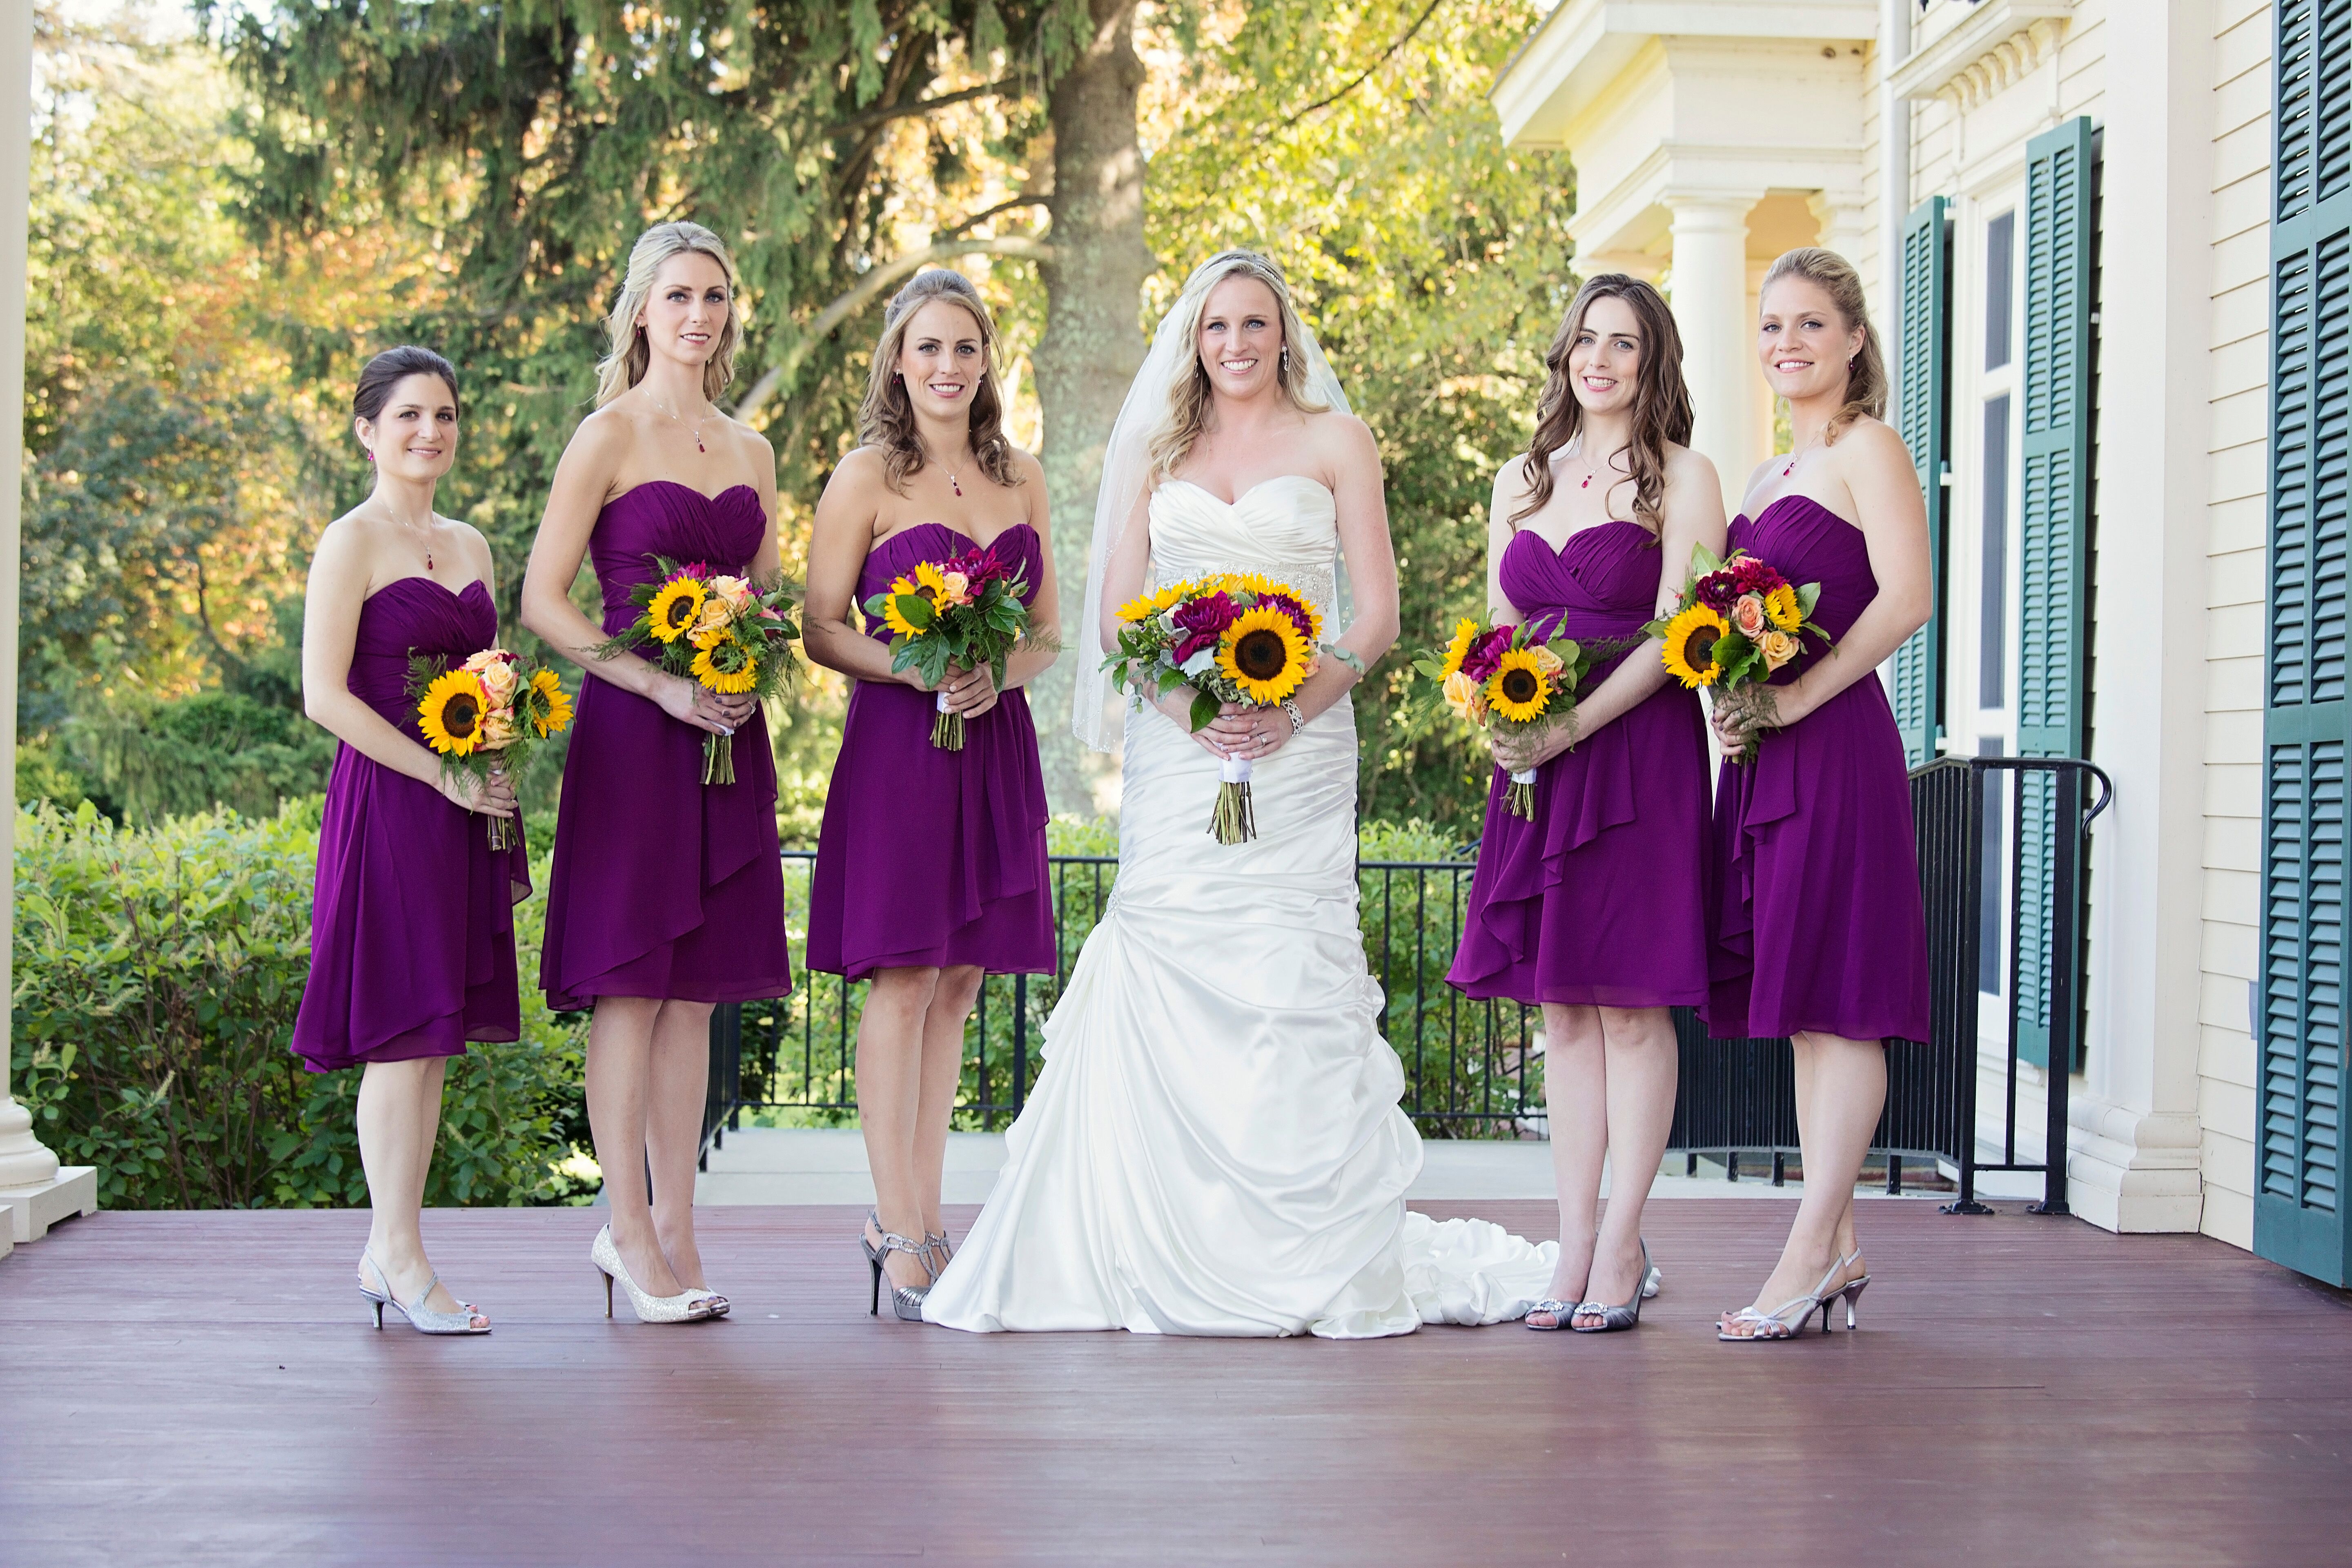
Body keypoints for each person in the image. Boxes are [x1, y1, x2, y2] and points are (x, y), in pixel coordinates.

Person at [920, 249, 1555, 1338]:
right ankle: (1148, 1241)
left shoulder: (1335, 442)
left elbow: (1377, 615)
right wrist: (1190, 712)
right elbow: (1122, 615)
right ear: (1195, 339)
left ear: (1285, 334)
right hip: (1180, 749)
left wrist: (1295, 708)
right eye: (1218, 326)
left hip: (1305, 750)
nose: (1236, 344)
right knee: (1169, 950)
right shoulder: (1160, 451)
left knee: (1289, 969)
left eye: (1255, 324)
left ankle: (1297, 1244)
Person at [524, 221, 792, 1324]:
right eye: (678, 295)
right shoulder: (607, 434)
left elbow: (771, 607)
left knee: (696, 1000)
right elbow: (545, 603)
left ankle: (678, 1224)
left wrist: (743, 674)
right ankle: (624, 1227)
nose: (699, 314)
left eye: (715, 296)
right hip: (637, 738)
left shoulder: (754, 452)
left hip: (728, 743)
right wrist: (658, 686)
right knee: (631, 991)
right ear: (641, 309)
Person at [1446, 276, 1724, 1332]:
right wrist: (1500, 716)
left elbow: (1674, 636)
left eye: (1625, 344)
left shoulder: (1681, 478)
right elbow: (1497, 626)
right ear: (1563, 357)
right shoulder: (1519, 480)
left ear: (1653, 363)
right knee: (1563, 1008)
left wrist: (1572, 725)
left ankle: (1622, 1247)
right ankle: (1570, 1244)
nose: (1600, 360)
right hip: (1533, 762)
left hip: (1635, 755)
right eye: (1585, 342)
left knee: (1631, 1005)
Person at [803, 270, 1058, 1320]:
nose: (947, 367)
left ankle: (926, 1213)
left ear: (987, 360)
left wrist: (997, 675)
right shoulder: (864, 476)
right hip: (901, 751)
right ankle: (898, 1223)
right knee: (903, 981)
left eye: (965, 348)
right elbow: (821, 625)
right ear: (897, 363)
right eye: (928, 349)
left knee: (959, 984)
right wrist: (913, 670)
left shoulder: (1022, 475)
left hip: (996, 744)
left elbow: (1045, 634)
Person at [1707, 247, 1933, 1341]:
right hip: (1765, 756)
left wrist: (1799, 702)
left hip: (1836, 745)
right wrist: (1735, 694)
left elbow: (1908, 599)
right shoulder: (1761, 479)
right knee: (1802, 1012)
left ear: (1852, 340)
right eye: (1771, 326)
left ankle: (1805, 1249)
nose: (1787, 343)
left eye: (1809, 323)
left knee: (1841, 1006)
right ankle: (1838, 1245)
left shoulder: (1867, 447)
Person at [294, 345, 522, 1334]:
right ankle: (397, 1254)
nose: (430, 432)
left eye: (444, 416)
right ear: (368, 431)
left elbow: (488, 680)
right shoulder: (350, 542)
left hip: (463, 809)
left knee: (433, 1040)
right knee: (400, 1035)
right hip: (392, 804)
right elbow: (322, 695)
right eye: (409, 417)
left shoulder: (470, 546)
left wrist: (495, 757)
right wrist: (438, 772)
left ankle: (393, 1246)